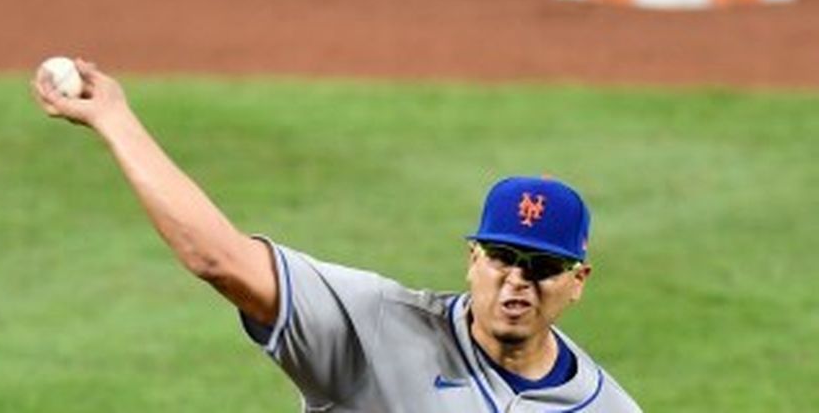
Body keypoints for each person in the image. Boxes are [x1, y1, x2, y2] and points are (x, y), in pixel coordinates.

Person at [32, 59, 642, 412]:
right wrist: (114, 119)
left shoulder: (609, 407)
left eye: (540, 266)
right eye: (502, 257)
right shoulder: (375, 327)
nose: (516, 281)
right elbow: (217, 258)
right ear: (472, 258)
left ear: (577, 281)